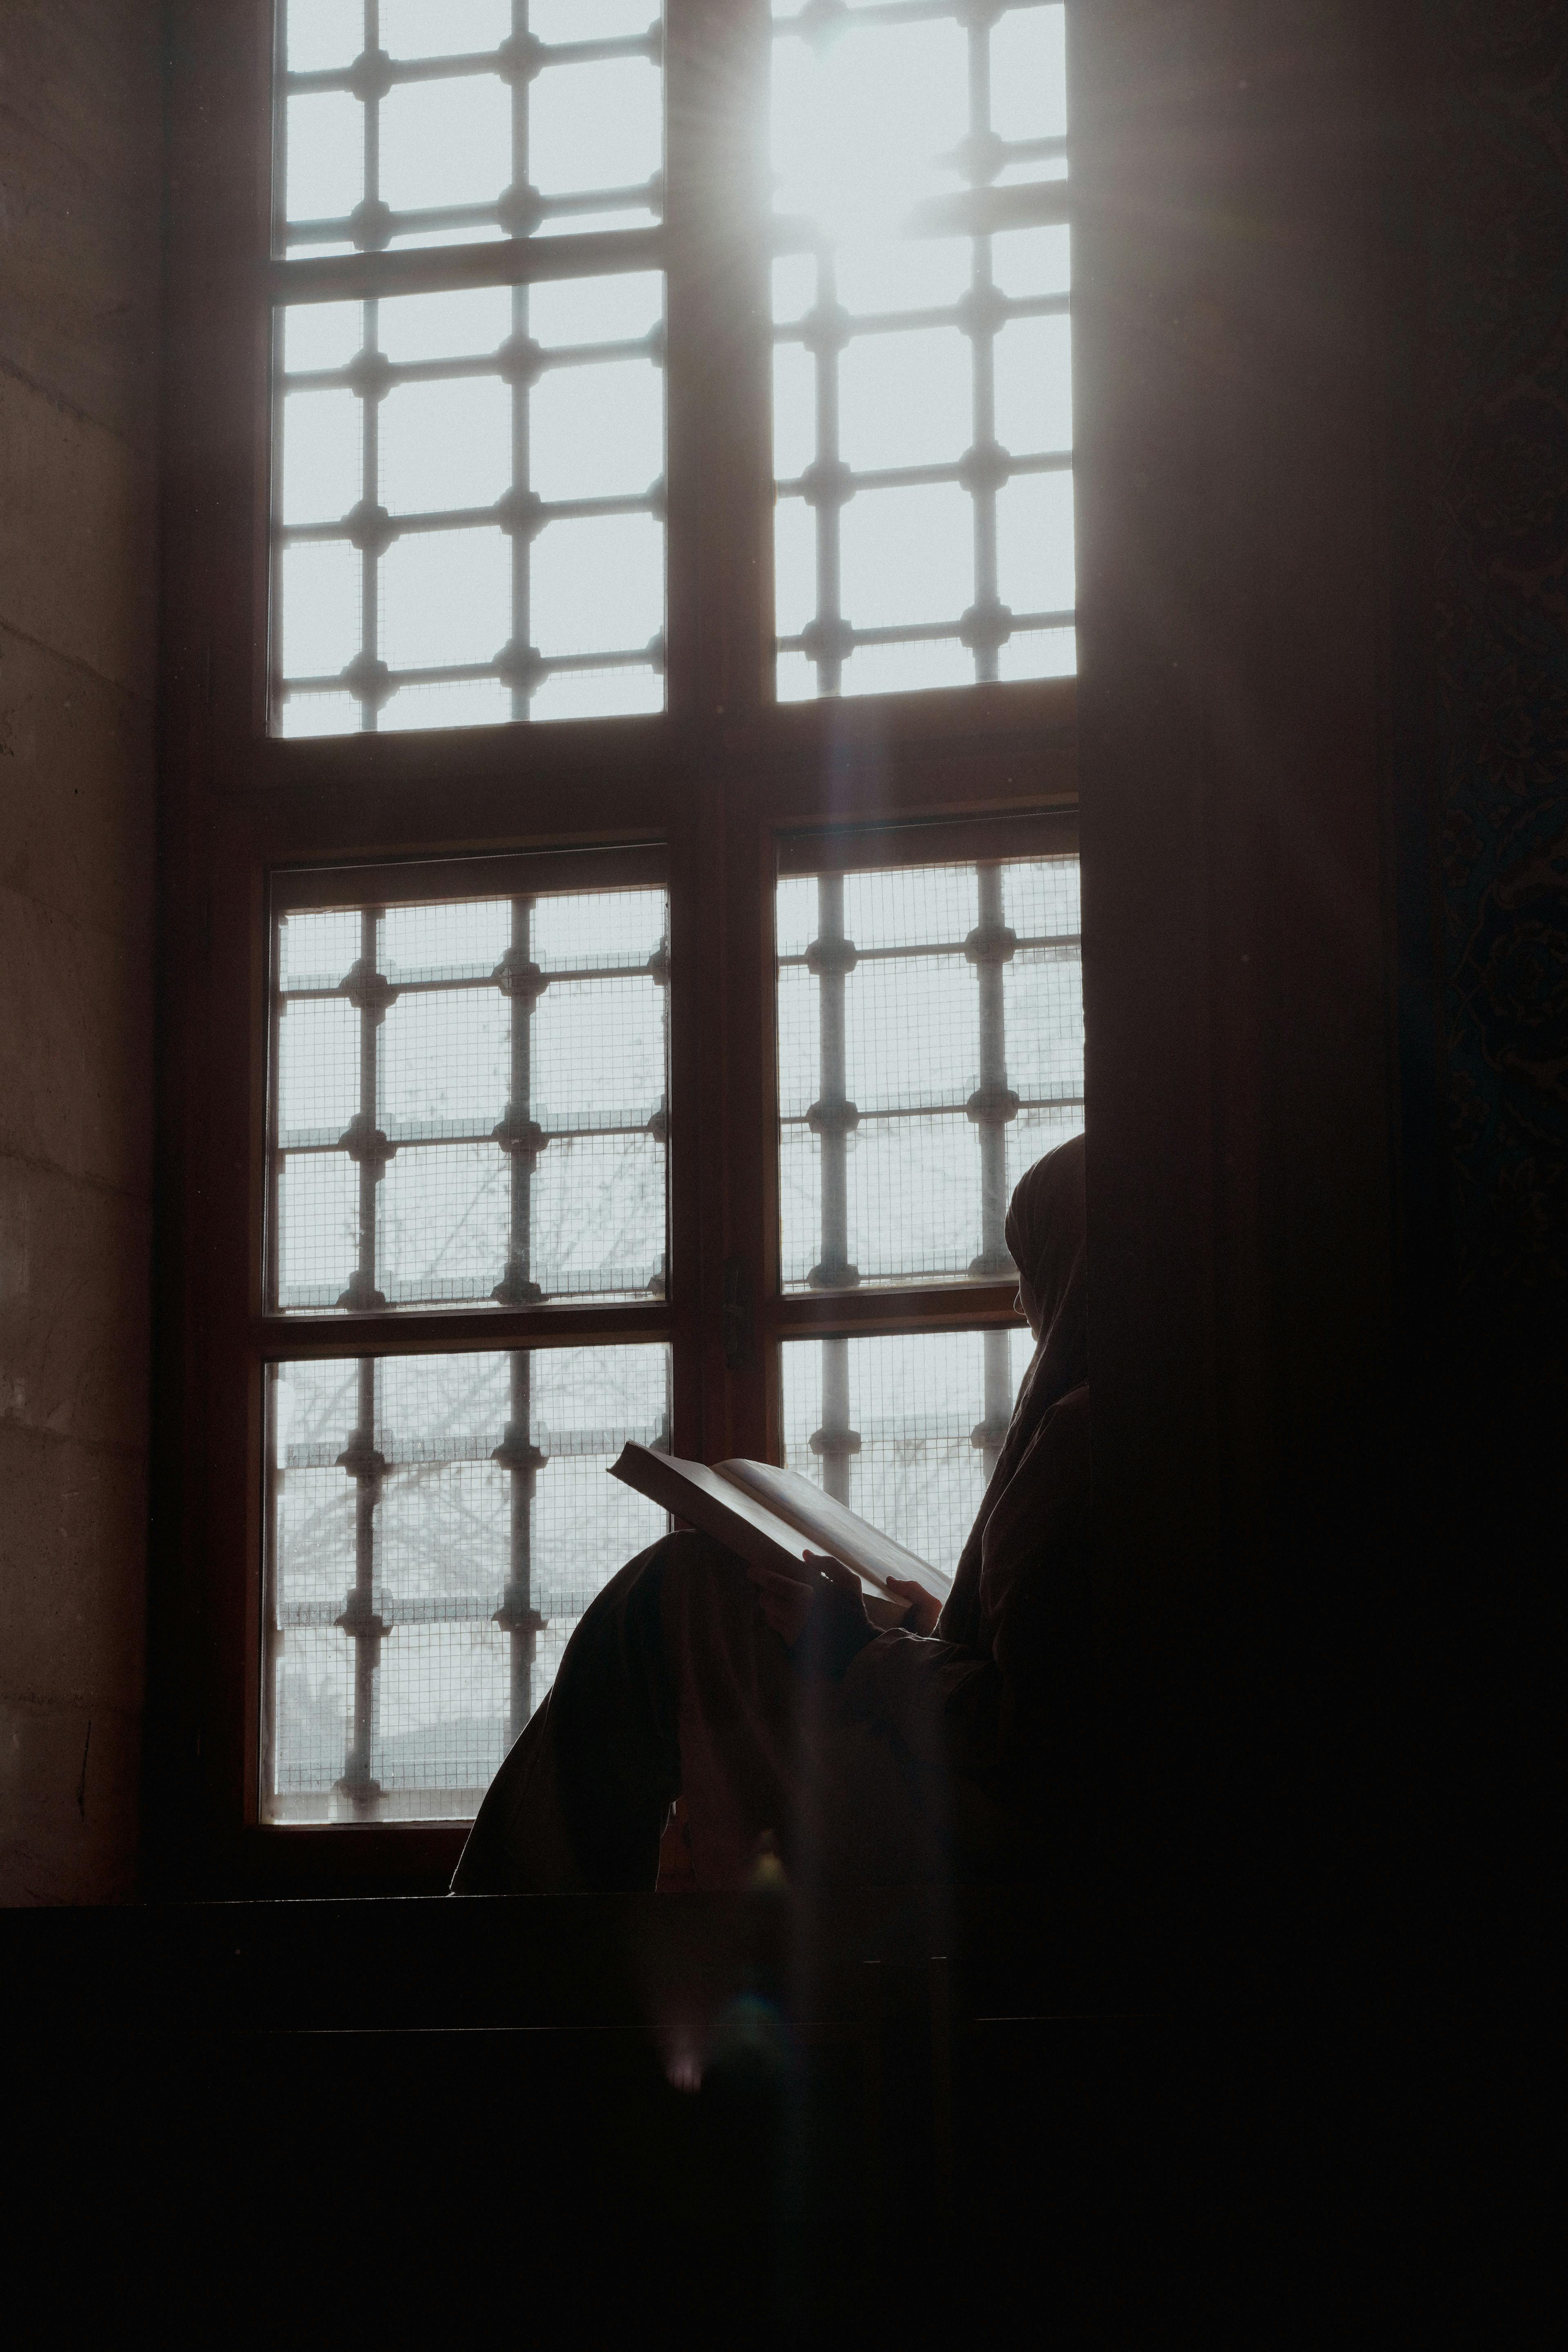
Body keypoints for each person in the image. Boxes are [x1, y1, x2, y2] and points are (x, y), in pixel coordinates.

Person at [450, 1133, 1091, 1894]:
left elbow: (1037, 1746)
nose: (1021, 1299)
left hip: (993, 1852)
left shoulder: (1086, 1436)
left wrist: (861, 1647)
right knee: (687, 1591)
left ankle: (509, 1931)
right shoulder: (1160, 1428)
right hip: (985, 1812)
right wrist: (935, 1626)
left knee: (684, 1585)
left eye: (1031, 1265)